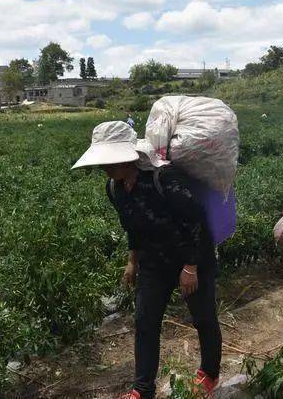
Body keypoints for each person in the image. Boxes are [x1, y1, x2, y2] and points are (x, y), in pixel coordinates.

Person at [72, 122, 221, 399]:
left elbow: (196, 220)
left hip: (192, 257)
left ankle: (209, 374)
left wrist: (190, 267)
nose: (105, 168)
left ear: (129, 156)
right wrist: (132, 261)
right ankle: (142, 390)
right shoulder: (114, 188)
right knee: (145, 321)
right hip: (154, 262)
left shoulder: (163, 179)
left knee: (203, 318)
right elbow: (133, 227)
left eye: (110, 161)